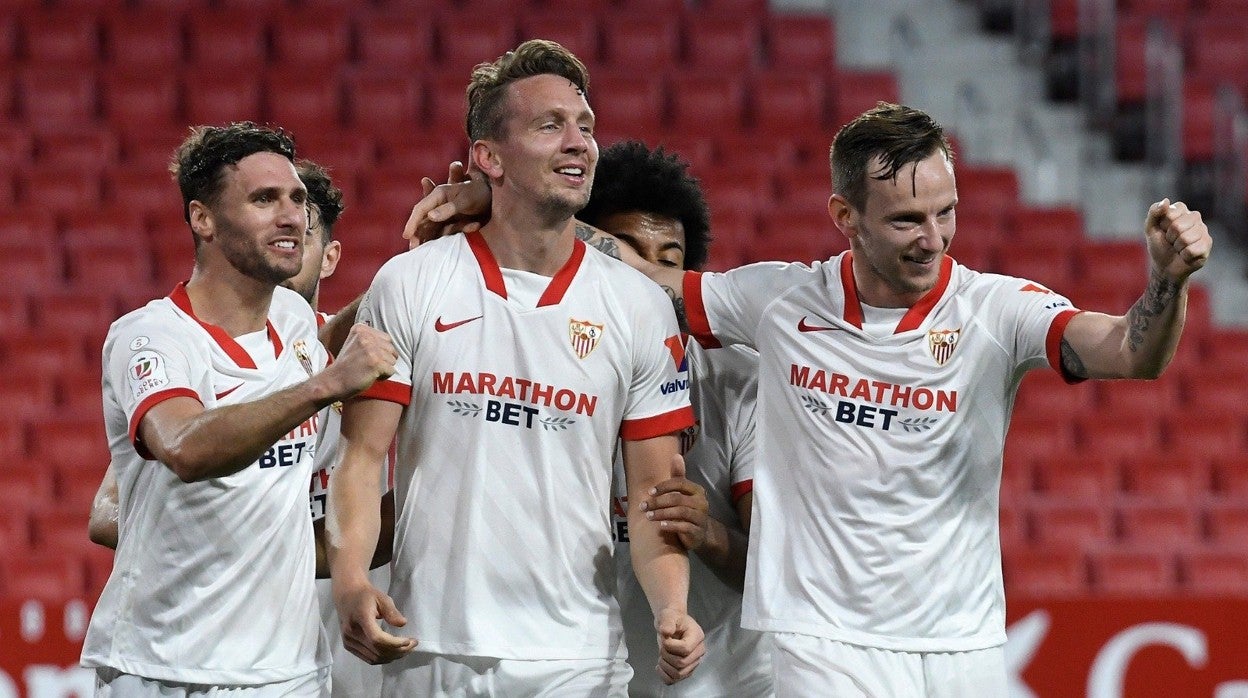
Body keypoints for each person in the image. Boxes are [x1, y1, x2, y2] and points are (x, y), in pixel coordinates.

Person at [409, 102, 1213, 696]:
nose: (934, 239)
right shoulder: (780, 304)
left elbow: (1127, 354)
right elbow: (639, 280)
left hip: (961, 646)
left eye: (946, 213)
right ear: (844, 217)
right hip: (816, 646)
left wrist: (1167, 283)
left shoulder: (997, 310)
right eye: (905, 220)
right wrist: (508, 204)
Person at [325, 40, 705, 696]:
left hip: (579, 662)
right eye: (550, 125)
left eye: (585, 126)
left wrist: (673, 608)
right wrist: (354, 578)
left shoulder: (638, 306)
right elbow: (360, 461)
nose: (579, 143)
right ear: (489, 158)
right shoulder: (412, 283)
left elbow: (652, 497)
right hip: (432, 650)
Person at [80, 122, 397, 697]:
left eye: (298, 199)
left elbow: (333, 339)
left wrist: (425, 260)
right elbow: (184, 446)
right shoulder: (151, 338)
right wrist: (323, 387)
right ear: (202, 219)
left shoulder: (297, 325)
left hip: (292, 672)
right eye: (264, 199)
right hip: (169, 669)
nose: (291, 215)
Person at [578, 140, 773, 697]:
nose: (651, 281)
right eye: (629, 254)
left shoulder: (740, 378)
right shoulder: (548, 373)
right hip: (590, 676)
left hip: (727, 679)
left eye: (670, 260)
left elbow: (777, 569)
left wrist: (708, 533)